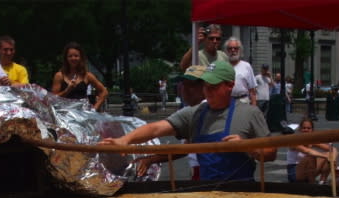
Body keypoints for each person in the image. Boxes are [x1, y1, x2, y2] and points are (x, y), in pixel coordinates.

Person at [100, 61, 276, 182]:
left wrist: (248, 147)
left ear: (230, 85)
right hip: (206, 192)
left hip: (244, 193)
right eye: (205, 86)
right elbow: (155, 128)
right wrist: (125, 140)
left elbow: (271, 153)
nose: (207, 92)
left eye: (213, 87)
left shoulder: (250, 113)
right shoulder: (195, 114)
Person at [51, 42, 108, 112]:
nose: (73, 58)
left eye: (76, 56)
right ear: (66, 58)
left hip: (82, 115)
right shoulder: (59, 76)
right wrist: (67, 90)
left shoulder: (87, 75)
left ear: (81, 58)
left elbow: (104, 92)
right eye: (70, 56)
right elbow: (53, 99)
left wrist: (94, 108)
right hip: (65, 115)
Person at [286, 117, 337, 184]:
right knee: (311, 157)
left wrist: (333, 157)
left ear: (312, 130)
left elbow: (333, 149)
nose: (306, 130)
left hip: (308, 170)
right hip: (294, 172)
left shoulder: (312, 141)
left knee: (329, 155)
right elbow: (308, 151)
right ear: (300, 129)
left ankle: (322, 182)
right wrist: (325, 156)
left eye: (308, 128)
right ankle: (312, 184)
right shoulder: (295, 141)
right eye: (304, 128)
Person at [224, 37, 256, 106]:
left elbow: (252, 90)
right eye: (230, 48)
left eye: (236, 48)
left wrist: (254, 108)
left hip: (243, 101)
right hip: (227, 102)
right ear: (226, 51)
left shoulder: (247, 66)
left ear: (240, 50)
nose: (233, 50)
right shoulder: (223, 66)